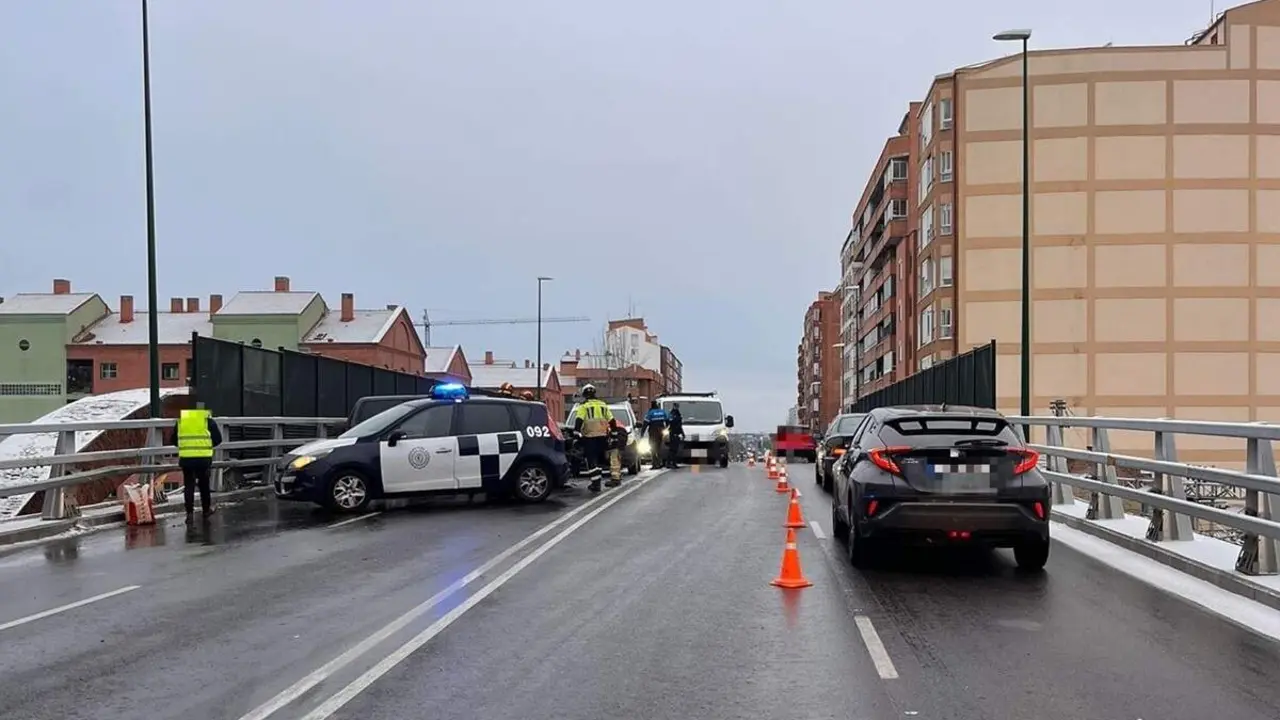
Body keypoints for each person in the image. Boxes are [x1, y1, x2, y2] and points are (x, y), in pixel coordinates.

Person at [172, 405, 223, 521]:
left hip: (187, 458)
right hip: (203, 458)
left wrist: (186, 446)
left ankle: (189, 514)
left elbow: (174, 440)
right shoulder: (207, 421)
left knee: (189, 485)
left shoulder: (181, 421)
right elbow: (218, 439)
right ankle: (206, 510)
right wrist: (206, 446)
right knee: (204, 485)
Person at [571, 384, 613, 492]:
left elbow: (579, 420)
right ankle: (596, 482)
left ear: (585, 395)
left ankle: (596, 484)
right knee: (598, 461)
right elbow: (611, 420)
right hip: (602, 437)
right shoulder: (603, 405)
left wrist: (576, 433)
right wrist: (613, 433)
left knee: (591, 461)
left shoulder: (584, 406)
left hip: (590, 437)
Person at [641, 400, 669, 469]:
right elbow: (668, 421)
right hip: (661, 432)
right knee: (659, 447)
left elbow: (645, 424)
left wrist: (642, 433)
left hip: (653, 432)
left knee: (653, 447)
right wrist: (666, 428)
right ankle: (660, 462)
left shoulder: (650, 413)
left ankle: (655, 464)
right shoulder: (662, 412)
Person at [605, 417, 629, 488]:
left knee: (614, 457)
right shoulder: (612, 420)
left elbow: (606, 435)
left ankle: (615, 479)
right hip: (622, 433)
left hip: (618, 433)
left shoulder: (604, 422)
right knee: (617, 455)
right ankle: (617, 476)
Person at [666, 403, 684, 469]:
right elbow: (669, 423)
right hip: (673, 433)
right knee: (672, 450)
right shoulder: (672, 414)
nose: (677, 407)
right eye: (676, 406)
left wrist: (682, 433)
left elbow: (680, 425)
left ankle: (673, 463)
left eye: (677, 406)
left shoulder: (678, 413)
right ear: (674, 406)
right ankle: (669, 463)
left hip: (677, 433)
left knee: (675, 450)